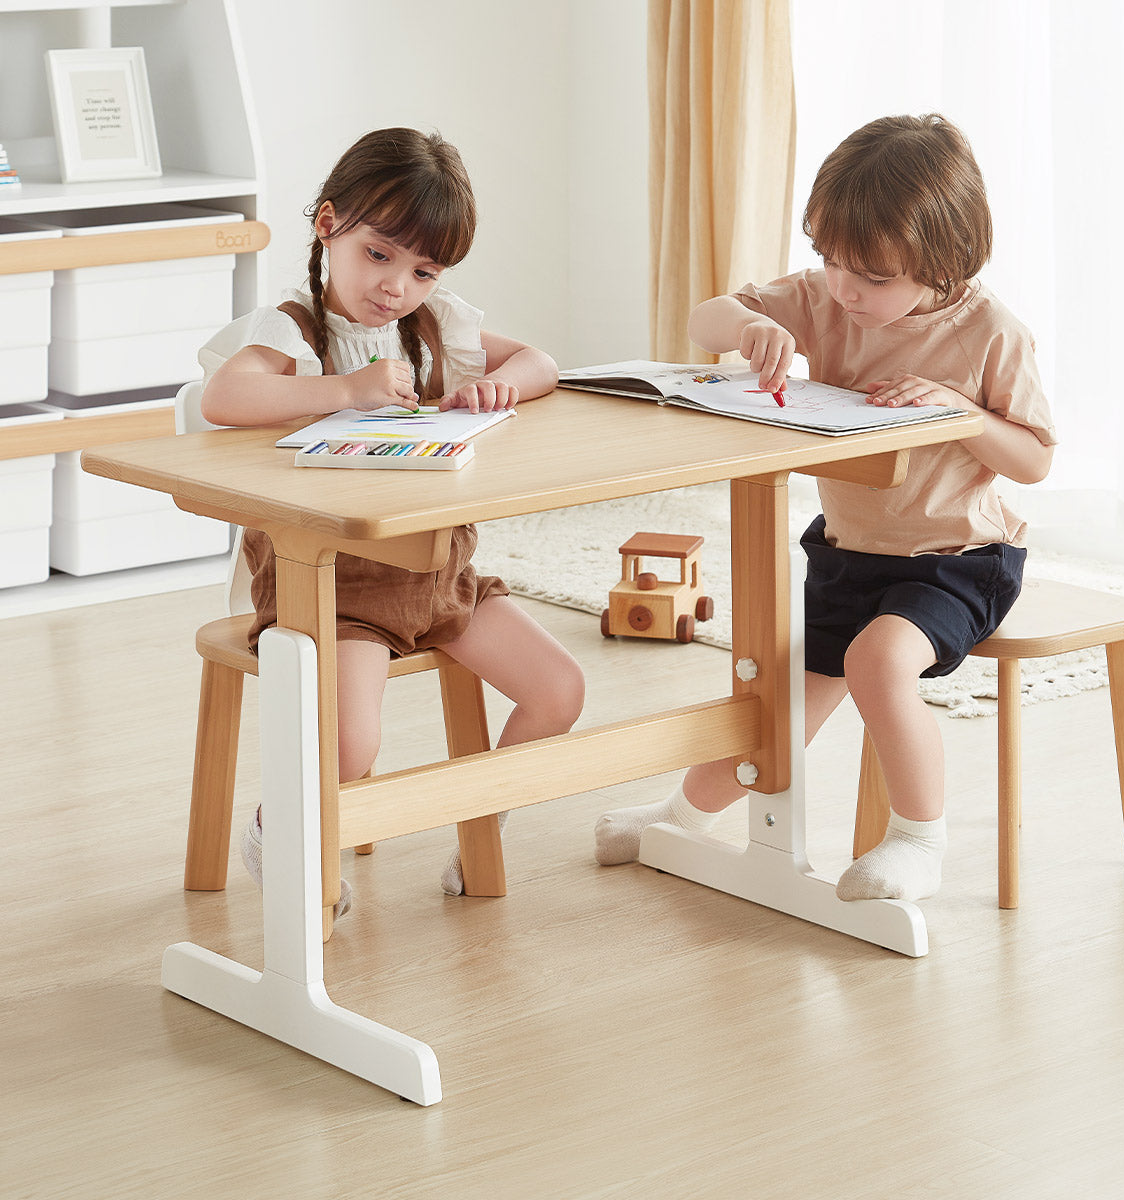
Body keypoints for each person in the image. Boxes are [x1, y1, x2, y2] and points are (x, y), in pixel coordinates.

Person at [595, 114, 1056, 902]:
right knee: (772, 697)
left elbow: (1037, 457)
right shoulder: (826, 297)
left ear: (943, 262)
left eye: (873, 278)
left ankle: (919, 843)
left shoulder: (989, 334)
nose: (847, 290)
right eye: (832, 262)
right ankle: (679, 817)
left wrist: (962, 415)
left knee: (876, 665)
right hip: (849, 549)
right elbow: (705, 317)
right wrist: (753, 325)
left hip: (957, 561)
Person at [200, 127, 585, 913]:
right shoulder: (293, 330)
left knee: (560, 689)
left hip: (440, 577)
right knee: (352, 743)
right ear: (328, 225)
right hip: (334, 589)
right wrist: (344, 391)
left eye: (423, 270)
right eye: (378, 255)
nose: (396, 287)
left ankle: (480, 829)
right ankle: (283, 834)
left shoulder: (438, 323)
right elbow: (224, 398)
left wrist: (496, 387)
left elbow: (541, 362)